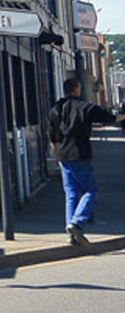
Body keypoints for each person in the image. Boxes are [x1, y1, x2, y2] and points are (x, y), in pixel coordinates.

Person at [48, 77, 125, 246]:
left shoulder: (56, 108)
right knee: (90, 191)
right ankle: (77, 223)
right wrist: (121, 117)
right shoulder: (85, 107)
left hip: (64, 155)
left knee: (71, 194)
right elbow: (108, 117)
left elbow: (52, 135)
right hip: (80, 153)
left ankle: (70, 232)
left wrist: (57, 155)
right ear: (76, 89)